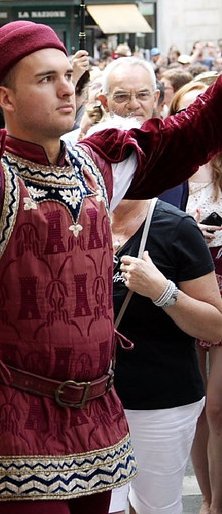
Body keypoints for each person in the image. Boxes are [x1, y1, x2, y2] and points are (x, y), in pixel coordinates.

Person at [0, 0, 222, 514]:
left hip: (98, 415)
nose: (68, 88)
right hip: (15, 415)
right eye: (47, 79)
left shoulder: (97, 163)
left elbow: (192, 131)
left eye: (68, 75)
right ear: (5, 98)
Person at [86, 119, 222, 514]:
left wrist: (162, 291)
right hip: (88, 400)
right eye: (99, 163)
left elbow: (215, 323)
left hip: (160, 399)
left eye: (122, 163)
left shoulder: (174, 227)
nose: (111, 173)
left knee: (154, 507)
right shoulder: (74, 222)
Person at [169, 79, 222, 514]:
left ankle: (216, 502)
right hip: (181, 290)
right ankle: (206, 498)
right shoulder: (167, 168)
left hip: (221, 289)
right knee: (198, 410)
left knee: (218, 408)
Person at [97, 56, 188, 210]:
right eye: (122, 96)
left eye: (142, 95)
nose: (133, 104)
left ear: (155, 98)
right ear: (105, 102)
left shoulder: (175, 152)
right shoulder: (89, 156)